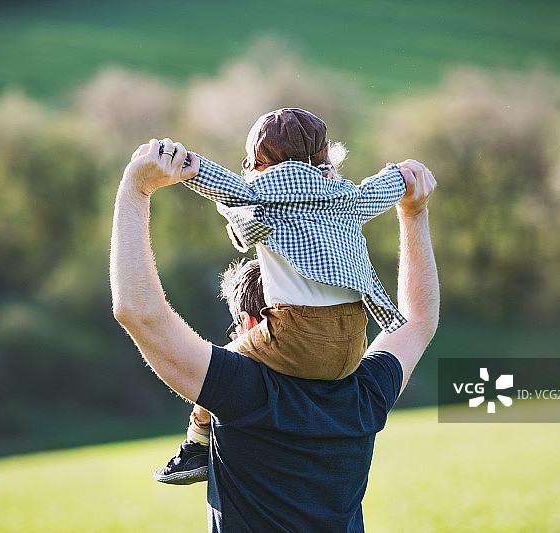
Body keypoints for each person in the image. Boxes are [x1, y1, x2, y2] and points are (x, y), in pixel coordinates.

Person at [110, 137, 438, 531]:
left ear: (252, 323)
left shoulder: (243, 391)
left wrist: (136, 188)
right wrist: (414, 212)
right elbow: (418, 320)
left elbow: (138, 313)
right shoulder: (364, 392)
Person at [155, 109, 409, 482]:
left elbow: (217, 181)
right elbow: (382, 188)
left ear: (258, 162)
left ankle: (196, 444)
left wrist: (181, 161)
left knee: (216, 368)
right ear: (324, 156)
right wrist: (403, 174)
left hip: (297, 334)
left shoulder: (260, 195)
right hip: (355, 341)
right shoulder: (346, 197)